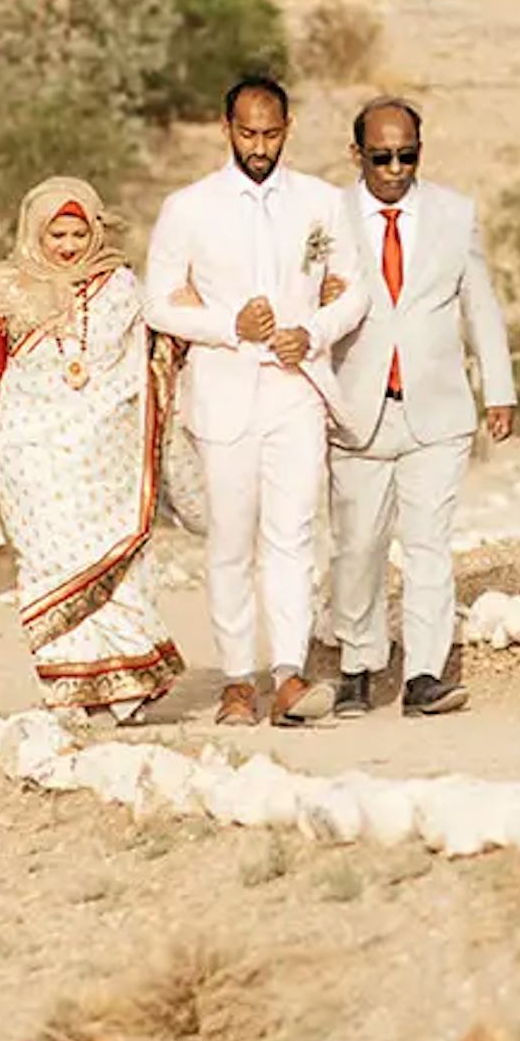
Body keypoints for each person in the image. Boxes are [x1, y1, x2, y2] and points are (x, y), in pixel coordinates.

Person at [148, 75, 352, 726]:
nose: (258, 145)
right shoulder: (189, 207)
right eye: (247, 132)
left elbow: (355, 291)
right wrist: (229, 323)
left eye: (269, 133)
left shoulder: (322, 203)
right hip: (223, 391)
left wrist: (311, 331)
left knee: (292, 536)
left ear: (287, 128)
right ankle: (239, 679)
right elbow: (158, 301)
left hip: (296, 390)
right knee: (232, 543)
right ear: (225, 126)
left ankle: (289, 675)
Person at [320, 98, 517, 719]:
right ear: (358, 155)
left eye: (408, 155)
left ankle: (425, 675)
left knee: (429, 544)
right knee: (358, 546)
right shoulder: (326, 216)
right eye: (382, 157)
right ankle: (358, 664)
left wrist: (500, 388)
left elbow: (479, 303)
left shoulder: (456, 215)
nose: (396, 168)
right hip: (357, 410)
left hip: (437, 410)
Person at [0, 180, 179, 723]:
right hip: (30, 454)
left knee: (114, 560)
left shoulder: (121, 288)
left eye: (80, 233)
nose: (69, 245)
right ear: (35, 231)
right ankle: (69, 687)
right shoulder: (5, 290)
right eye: (56, 234)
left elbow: (157, 347)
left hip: (105, 458)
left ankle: (125, 683)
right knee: (50, 563)